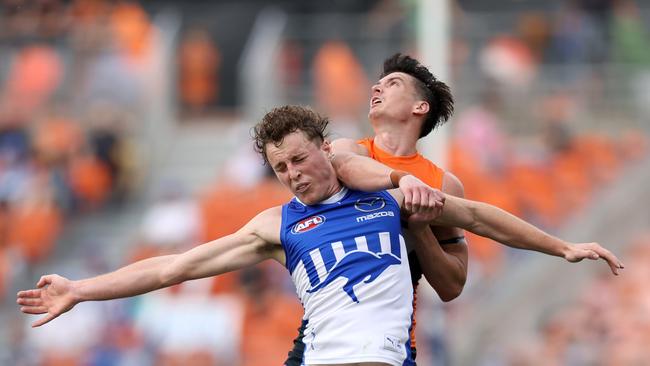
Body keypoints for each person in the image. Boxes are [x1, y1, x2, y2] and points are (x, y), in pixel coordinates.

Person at [18, 106, 623, 366]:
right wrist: (81, 288)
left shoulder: (389, 197)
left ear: (327, 150)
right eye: (280, 169)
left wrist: (562, 245)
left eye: (301, 161)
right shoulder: (277, 225)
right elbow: (171, 267)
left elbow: (480, 217)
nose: (293, 176)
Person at [287, 54, 624, 365]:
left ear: (420, 107)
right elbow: (346, 167)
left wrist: (421, 230)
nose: (377, 87)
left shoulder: (441, 183)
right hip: (322, 336)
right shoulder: (348, 151)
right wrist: (402, 182)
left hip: (387, 343)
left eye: (393, 84)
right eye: (378, 83)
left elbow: (452, 284)